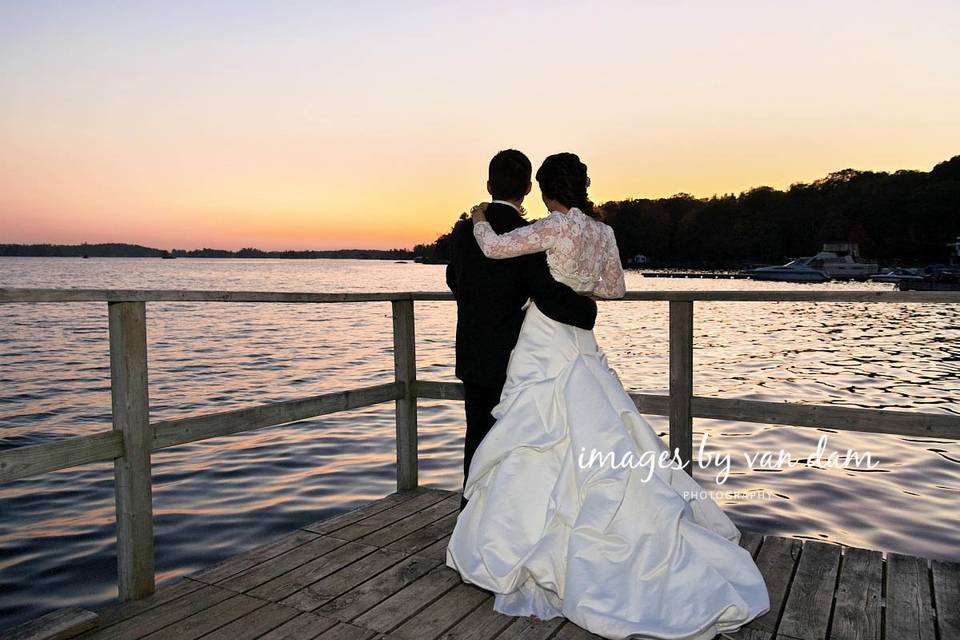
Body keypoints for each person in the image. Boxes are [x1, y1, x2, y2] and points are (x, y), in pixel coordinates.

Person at [446, 153, 770, 640]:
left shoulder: (552, 229)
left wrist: (474, 217)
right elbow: (613, 288)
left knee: (537, 430)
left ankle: (515, 534)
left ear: (545, 189)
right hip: (579, 340)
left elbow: (491, 249)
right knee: (596, 426)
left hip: (542, 337)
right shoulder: (604, 233)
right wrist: (578, 292)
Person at [445, 149, 598, 512]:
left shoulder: (465, 231)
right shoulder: (526, 234)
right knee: (512, 443)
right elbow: (544, 292)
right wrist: (586, 310)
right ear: (528, 189)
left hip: (471, 349)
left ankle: (469, 514)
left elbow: (454, 278)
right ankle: (505, 517)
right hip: (515, 354)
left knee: (476, 436)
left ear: (488, 184)